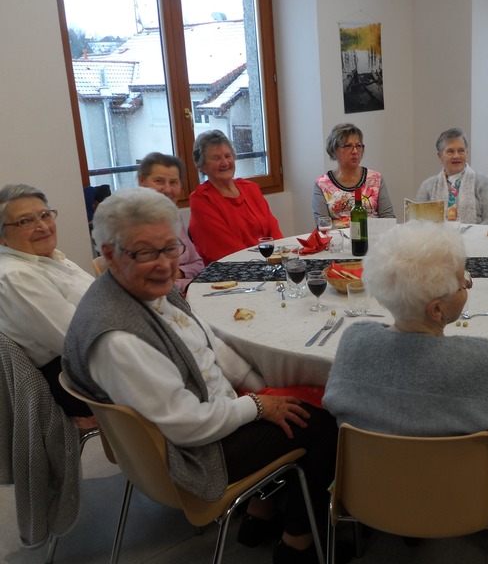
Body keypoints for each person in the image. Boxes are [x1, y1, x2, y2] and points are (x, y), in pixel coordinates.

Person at [62, 188, 341, 564]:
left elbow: (209, 345)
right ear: (109, 253)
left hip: (207, 414)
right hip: (193, 453)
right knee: (320, 421)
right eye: (145, 252)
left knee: (297, 397)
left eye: (171, 247)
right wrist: (259, 405)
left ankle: (260, 515)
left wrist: (264, 390)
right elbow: (188, 427)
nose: (165, 264)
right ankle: (298, 543)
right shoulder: (118, 337)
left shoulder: (142, 288)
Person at [323, 220, 488, 498]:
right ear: (436, 309)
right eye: (462, 283)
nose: (466, 287)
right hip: (469, 502)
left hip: (372, 495)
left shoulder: (353, 341)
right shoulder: (486, 360)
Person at [0, 183, 93, 416]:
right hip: (76, 379)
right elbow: (77, 342)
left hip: (100, 354)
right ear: (2, 238)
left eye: (44, 215)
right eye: (25, 221)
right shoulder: (16, 276)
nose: (42, 226)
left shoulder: (51, 258)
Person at [189, 130, 283, 265]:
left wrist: (278, 257)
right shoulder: (201, 200)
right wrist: (262, 265)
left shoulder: (251, 188)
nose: (224, 162)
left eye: (228, 156)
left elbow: (273, 229)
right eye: (216, 158)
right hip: (232, 272)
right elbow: (225, 250)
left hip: (268, 264)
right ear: (202, 166)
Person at [137, 152, 203, 292]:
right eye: (159, 181)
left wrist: (177, 273)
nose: (167, 190)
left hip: (187, 291)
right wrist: (185, 282)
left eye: (173, 182)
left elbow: (198, 264)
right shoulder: (133, 225)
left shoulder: (173, 215)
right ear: (141, 181)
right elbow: (147, 283)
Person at [312, 123, 394, 227]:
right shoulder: (322, 184)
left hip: (373, 239)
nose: (355, 151)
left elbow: (388, 218)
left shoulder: (375, 179)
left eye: (358, 146)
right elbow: (323, 225)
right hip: (338, 240)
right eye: (348, 146)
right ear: (334, 150)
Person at [415, 128, 488, 224]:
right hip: (437, 238)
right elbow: (417, 222)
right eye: (450, 151)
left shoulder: (483, 182)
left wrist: (472, 236)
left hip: (476, 238)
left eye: (461, 151)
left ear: (466, 154)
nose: (456, 156)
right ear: (440, 156)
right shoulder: (427, 185)